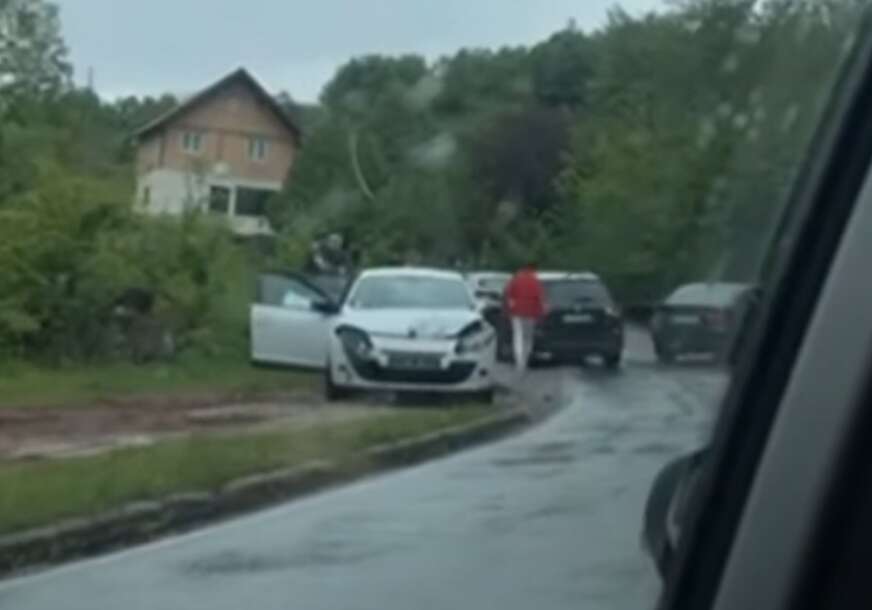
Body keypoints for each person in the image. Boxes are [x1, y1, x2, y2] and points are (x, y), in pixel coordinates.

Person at [504, 261, 546, 373]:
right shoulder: (535, 281)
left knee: (518, 336)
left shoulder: (515, 279)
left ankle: (519, 362)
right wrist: (541, 313)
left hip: (517, 313)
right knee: (528, 338)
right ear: (533, 270)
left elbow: (508, 295)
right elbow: (540, 298)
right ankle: (525, 361)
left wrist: (510, 309)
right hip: (531, 313)